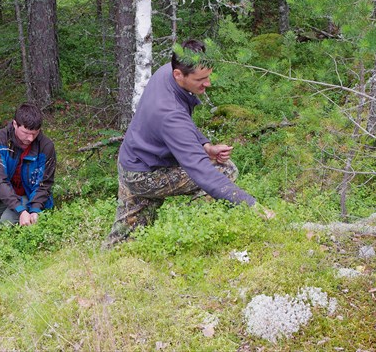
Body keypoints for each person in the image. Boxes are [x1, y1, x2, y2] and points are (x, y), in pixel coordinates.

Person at [103, 39, 274, 247]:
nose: (208, 83)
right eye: (201, 79)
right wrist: (253, 205)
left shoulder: (167, 71)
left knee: (125, 238)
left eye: (209, 75)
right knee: (223, 169)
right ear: (179, 75)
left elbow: (183, 122)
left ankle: (106, 262)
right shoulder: (169, 112)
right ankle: (199, 229)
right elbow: (202, 171)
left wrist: (205, 145)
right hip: (145, 174)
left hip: (130, 159)